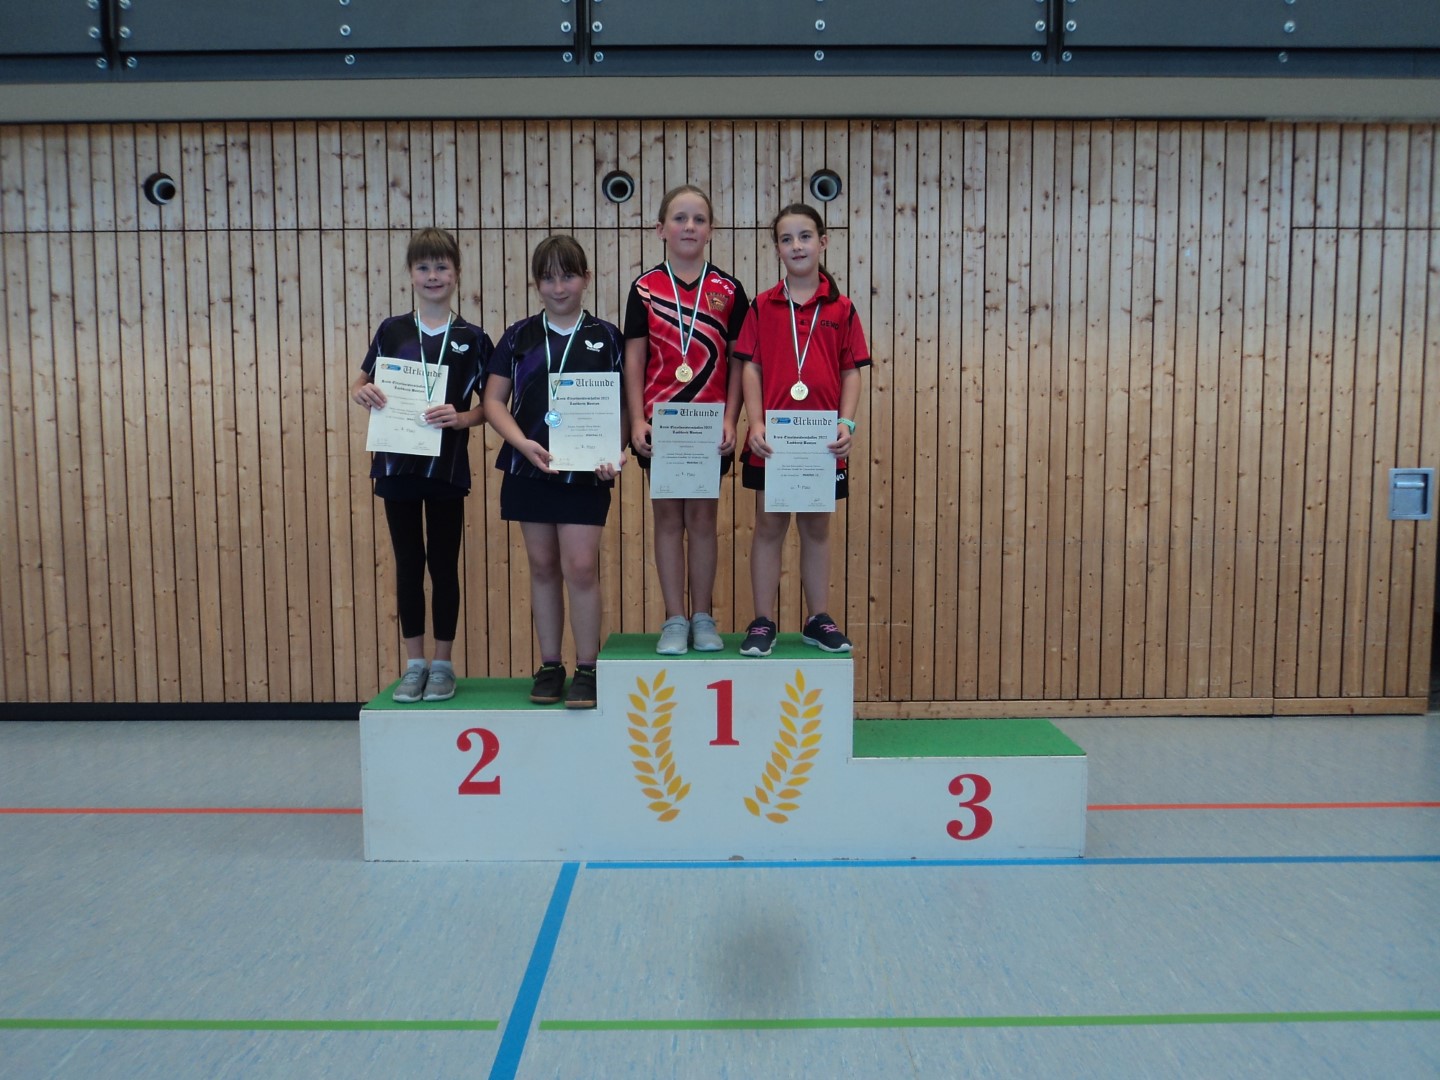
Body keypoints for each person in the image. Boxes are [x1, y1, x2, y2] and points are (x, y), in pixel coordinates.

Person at [482, 236, 626, 709]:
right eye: (548, 277)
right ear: (536, 283)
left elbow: (626, 405)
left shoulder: (607, 337)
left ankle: (587, 667)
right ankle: (550, 664)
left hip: (586, 472)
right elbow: (492, 402)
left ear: (586, 278)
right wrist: (521, 443)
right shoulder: (518, 336)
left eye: (568, 275)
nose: (558, 286)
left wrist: (617, 450)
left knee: (581, 567)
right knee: (543, 567)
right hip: (530, 469)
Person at [351, 228, 492, 702]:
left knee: (444, 565)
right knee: (409, 563)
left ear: (457, 274)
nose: (433, 276)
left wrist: (462, 417)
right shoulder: (392, 330)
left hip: (447, 471)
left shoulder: (473, 338)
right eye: (424, 267)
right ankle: (414, 664)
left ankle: (443, 665)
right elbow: (362, 381)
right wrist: (361, 391)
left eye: (442, 267)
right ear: (411, 274)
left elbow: (487, 408)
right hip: (396, 467)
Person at [735, 203, 869, 657]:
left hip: (822, 443)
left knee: (816, 528)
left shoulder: (843, 308)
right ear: (777, 249)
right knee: (768, 527)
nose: (797, 245)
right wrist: (754, 422)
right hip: (772, 443)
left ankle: (817, 618)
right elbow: (750, 368)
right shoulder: (761, 305)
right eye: (787, 239)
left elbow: (851, 371)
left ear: (823, 242)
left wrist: (846, 423)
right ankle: (762, 621)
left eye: (805, 236)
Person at [624, 184, 751, 655]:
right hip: (661, 426)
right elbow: (633, 361)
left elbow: (740, 361)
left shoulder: (729, 290)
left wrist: (732, 419)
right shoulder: (644, 289)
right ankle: (673, 618)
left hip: (709, 426)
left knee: (702, 518)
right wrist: (637, 421)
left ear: (712, 230)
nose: (689, 227)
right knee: (666, 519)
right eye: (679, 218)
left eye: (699, 219)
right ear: (661, 229)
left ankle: (702, 616)